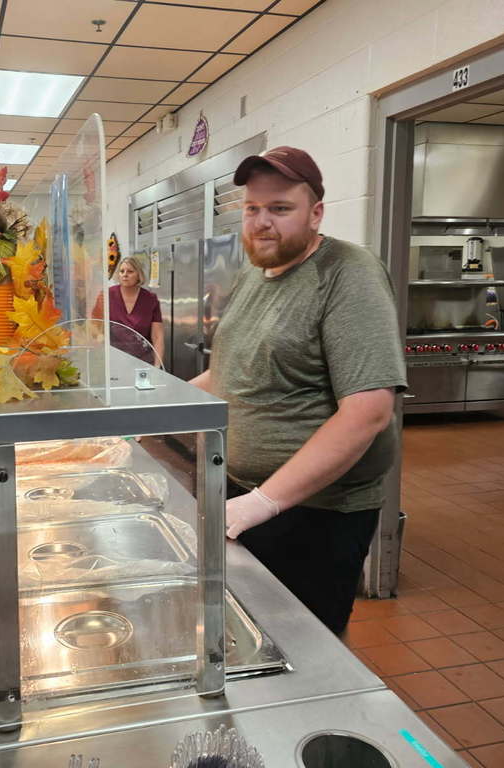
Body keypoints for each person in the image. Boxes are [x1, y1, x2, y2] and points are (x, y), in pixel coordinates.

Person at [190, 147, 407, 635]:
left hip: (318, 514)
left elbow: (368, 412)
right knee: (246, 634)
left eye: (280, 209)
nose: (262, 222)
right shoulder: (251, 273)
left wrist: (263, 502)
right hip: (242, 493)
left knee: (304, 648)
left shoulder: (348, 273)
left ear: (316, 213)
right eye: (252, 209)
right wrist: (152, 410)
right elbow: (228, 373)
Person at [102, 256, 165, 365]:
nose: (125, 275)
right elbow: (96, 329)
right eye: (122, 271)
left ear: (139, 275)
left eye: (130, 271)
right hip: (113, 360)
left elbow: (157, 336)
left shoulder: (150, 299)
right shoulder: (106, 296)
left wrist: (157, 366)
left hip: (143, 361)